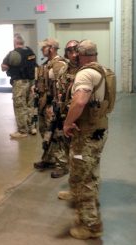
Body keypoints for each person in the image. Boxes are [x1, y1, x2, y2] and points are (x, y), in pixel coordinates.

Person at [61, 39, 115, 239]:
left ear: (79, 54)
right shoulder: (103, 70)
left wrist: (67, 123)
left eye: (74, 52)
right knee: (88, 169)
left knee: (85, 176)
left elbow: (80, 100)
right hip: (99, 129)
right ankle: (81, 203)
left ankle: (91, 225)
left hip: (86, 133)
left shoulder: (85, 73)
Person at [33, 38, 68, 171]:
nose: (42, 50)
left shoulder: (59, 65)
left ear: (51, 48)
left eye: (44, 47)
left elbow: (62, 88)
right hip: (43, 104)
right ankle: (49, 159)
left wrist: (57, 106)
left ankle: (62, 164)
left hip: (52, 105)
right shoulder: (47, 63)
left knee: (56, 135)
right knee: (45, 133)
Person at [49, 40, 80, 178]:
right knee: (61, 140)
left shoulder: (86, 70)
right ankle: (64, 166)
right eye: (70, 51)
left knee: (79, 150)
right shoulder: (63, 69)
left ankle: (79, 178)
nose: (73, 54)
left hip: (80, 115)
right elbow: (58, 89)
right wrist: (53, 105)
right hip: (63, 112)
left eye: (76, 50)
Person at [1, 33, 37, 138]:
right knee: (30, 106)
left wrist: (9, 67)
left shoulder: (13, 53)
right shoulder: (30, 51)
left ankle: (22, 131)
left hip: (20, 83)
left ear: (15, 43)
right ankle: (32, 127)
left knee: (20, 106)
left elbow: (4, 67)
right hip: (31, 82)